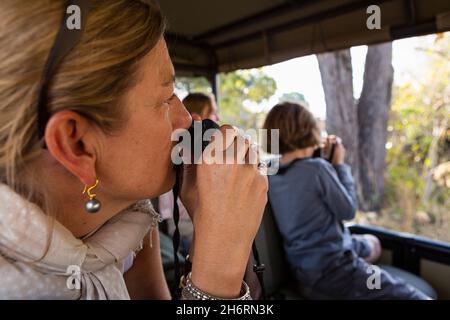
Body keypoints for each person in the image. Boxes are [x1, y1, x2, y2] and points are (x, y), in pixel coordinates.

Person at [0, 0, 267, 300]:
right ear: (77, 144)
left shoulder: (128, 223)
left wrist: (217, 230)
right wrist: (217, 274)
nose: (188, 119)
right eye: (165, 99)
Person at [263, 102, 429, 299]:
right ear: (308, 131)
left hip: (303, 265)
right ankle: (361, 283)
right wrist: (339, 165)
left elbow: (299, 181)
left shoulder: (269, 172)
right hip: (333, 268)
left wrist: (324, 162)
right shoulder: (317, 169)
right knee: (415, 297)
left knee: (373, 242)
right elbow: (348, 211)